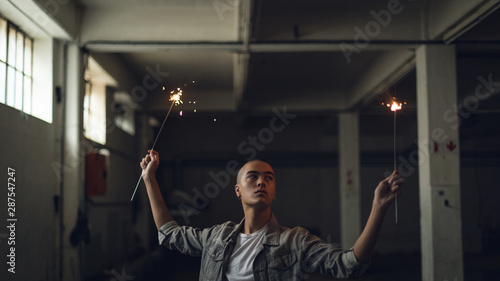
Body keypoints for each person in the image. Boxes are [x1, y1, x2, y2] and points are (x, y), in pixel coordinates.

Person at [140, 150, 403, 280]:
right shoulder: (216, 237)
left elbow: (350, 265)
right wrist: (149, 178)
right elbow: (170, 233)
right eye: (252, 177)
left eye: (269, 178)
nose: (261, 183)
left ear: (274, 191)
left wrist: (378, 208)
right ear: (238, 191)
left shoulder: (296, 241)